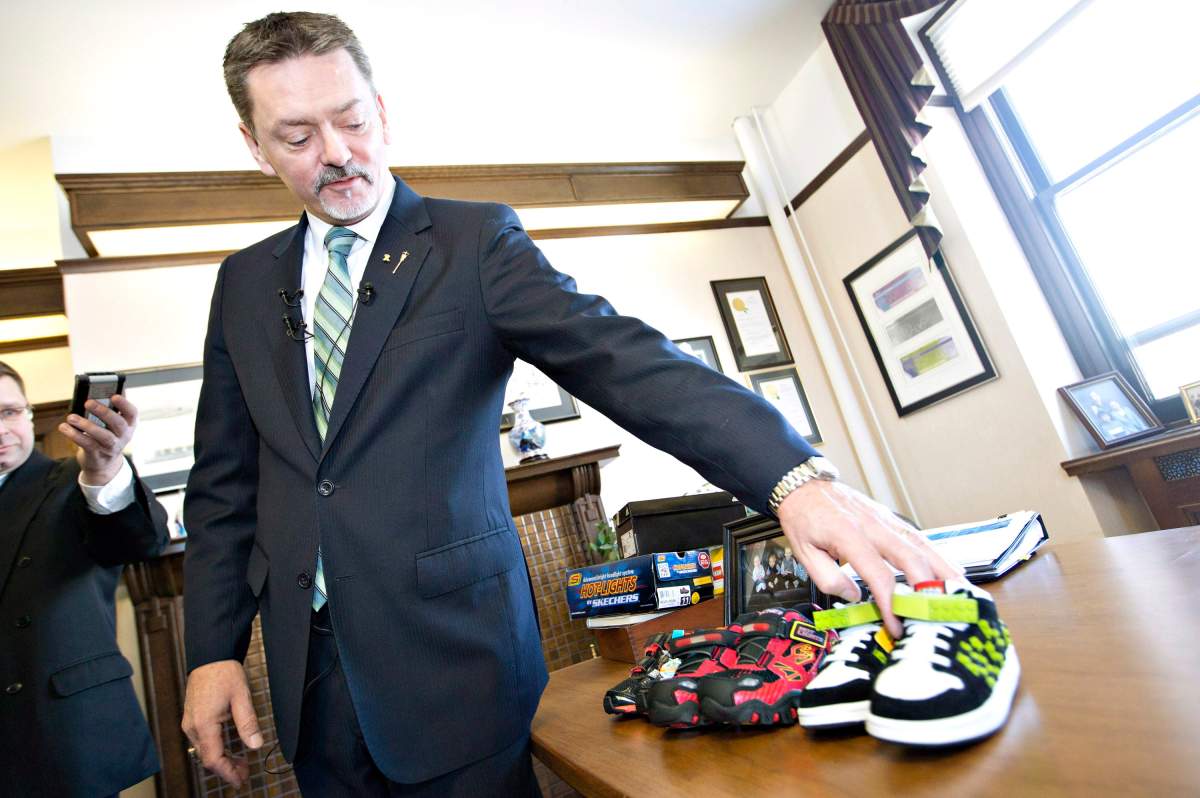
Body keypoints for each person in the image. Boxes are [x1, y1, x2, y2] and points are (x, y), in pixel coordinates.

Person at [180, 12, 960, 795]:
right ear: (253, 145)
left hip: (458, 667)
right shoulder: (242, 285)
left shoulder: (473, 243)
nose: (339, 154)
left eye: (352, 120)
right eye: (298, 137)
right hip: (313, 682)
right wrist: (212, 650)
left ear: (381, 110)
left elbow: (622, 357)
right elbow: (224, 488)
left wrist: (794, 478)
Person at [0, 361, 169, 797]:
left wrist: (104, 470)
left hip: (61, 736)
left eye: (9, 413)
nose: (1, 430)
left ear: (30, 415)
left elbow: (140, 543)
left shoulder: (69, 482)